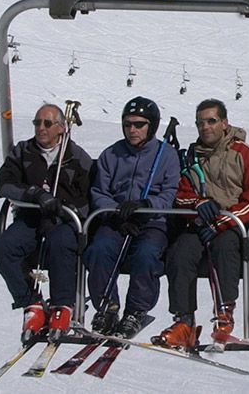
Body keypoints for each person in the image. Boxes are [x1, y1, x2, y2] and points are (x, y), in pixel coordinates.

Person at [154, 99, 249, 350]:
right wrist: (197, 203)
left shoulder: (243, 153)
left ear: (224, 123)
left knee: (225, 249)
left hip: (234, 224)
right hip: (201, 222)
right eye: (200, 123)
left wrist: (228, 219)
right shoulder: (192, 156)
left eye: (211, 121)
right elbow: (180, 193)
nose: (205, 127)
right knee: (181, 252)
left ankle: (224, 314)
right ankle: (184, 321)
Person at [0, 103, 93, 342]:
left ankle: (62, 305)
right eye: (37, 123)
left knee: (61, 243)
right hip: (32, 218)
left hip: (63, 221)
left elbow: (89, 194)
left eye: (47, 123)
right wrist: (34, 195)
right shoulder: (23, 152)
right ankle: (31, 302)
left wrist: (68, 209)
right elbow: (4, 182)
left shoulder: (75, 156)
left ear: (60, 128)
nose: (41, 128)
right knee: (4, 248)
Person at [84, 97, 180, 337]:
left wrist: (146, 205)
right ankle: (107, 307)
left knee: (146, 254)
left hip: (151, 221)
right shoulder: (112, 154)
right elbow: (99, 191)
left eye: (139, 124)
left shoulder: (165, 155)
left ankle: (136, 311)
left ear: (152, 126)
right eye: (127, 124)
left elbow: (170, 193)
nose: (132, 130)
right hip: (117, 220)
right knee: (99, 249)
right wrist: (116, 213)